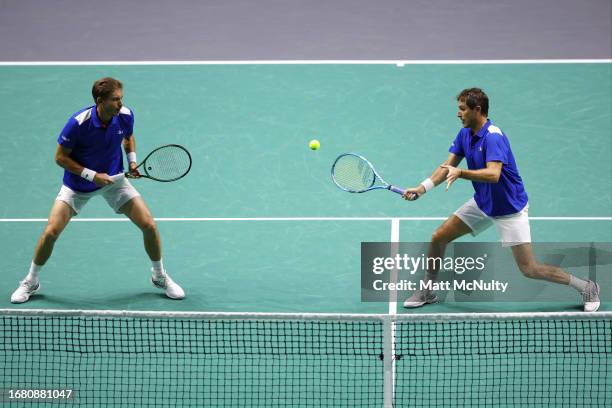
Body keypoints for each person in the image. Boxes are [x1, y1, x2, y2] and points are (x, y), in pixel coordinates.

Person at [402, 88, 600, 312]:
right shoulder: (464, 133)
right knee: (439, 237)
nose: (458, 114)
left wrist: (462, 173)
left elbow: (493, 174)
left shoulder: (494, 136)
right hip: (484, 202)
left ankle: (587, 286)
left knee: (529, 268)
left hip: (509, 208)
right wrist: (421, 188)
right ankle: (428, 289)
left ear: (478, 110)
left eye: (462, 109)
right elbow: (447, 167)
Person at [11, 77, 185, 303]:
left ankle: (159, 276)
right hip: (78, 186)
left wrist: (132, 162)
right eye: (115, 99)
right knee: (51, 232)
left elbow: (128, 137)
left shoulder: (125, 115)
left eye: (121, 98)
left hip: (114, 181)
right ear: (99, 101)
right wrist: (91, 176)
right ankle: (31, 281)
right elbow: (60, 158)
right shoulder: (78, 123)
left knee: (149, 225)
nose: (120, 103)